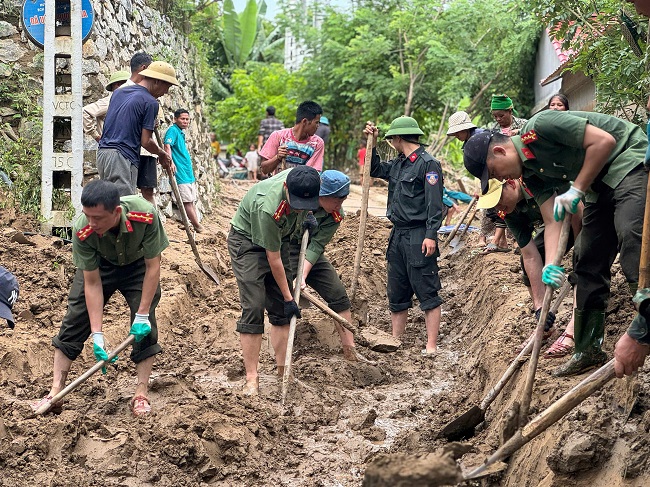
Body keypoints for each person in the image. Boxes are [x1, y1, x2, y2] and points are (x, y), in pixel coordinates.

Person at [463, 110, 648, 376]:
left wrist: (576, 189)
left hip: (628, 160)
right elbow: (552, 221)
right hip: (599, 185)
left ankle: (645, 321)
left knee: (630, 232)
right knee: (586, 258)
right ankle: (587, 350)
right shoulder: (531, 175)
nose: (501, 179)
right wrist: (551, 265)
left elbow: (604, 142)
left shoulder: (541, 127)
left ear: (500, 151)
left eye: (494, 172)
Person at [31, 180, 169, 416]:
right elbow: (93, 283)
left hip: (138, 266)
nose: (91, 223)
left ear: (116, 212)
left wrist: (143, 313)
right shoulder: (82, 230)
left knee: (146, 325)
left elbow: (153, 266)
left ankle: (141, 392)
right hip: (101, 266)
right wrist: (97, 334)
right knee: (75, 318)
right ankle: (55, 391)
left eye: (98, 218)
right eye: (87, 216)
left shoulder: (145, 215)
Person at [228, 166, 321, 395]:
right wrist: (290, 298)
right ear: (286, 188)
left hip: (281, 239)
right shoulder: (268, 207)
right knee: (254, 305)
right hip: (248, 242)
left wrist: (308, 216)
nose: (300, 209)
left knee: (281, 310)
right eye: (297, 204)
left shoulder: (306, 179)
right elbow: (274, 259)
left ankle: (283, 371)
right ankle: (252, 378)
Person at [363, 117, 444, 355]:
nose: (392, 143)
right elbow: (374, 169)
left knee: (427, 289)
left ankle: (431, 345)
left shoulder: (428, 164)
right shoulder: (398, 163)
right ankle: (395, 339)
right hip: (397, 234)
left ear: (398, 138)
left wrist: (431, 234)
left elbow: (434, 204)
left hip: (419, 234)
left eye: (392, 139)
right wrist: (372, 144)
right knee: (397, 290)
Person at [477, 178, 581, 358]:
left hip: (580, 214)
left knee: (583, 265)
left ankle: (574, 329)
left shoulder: (535, 181)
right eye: (494, 205)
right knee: (528, 262)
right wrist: (540, 307)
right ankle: (545, 325)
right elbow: (530, 255)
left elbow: (577, 209)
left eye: (499, 200)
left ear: (511, 184)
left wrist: (581, 247)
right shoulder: (508, 212)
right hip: (554, 224)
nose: (498, 207)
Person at [289, 170, 371, 362]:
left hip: (311, 251)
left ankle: (350, 350)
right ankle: (282, 355)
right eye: (336, 200)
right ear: (322, 195)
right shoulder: (300, 200)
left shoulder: (335, 214)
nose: (339, 205)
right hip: (285, 248)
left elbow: (317, 245)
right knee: (284, 298)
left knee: (338, 295)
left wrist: (303, 275)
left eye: (343, 200)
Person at [98, 60, 177, 201]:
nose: (166, 92)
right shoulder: (150, 102)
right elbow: (146, 141)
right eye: (167, 86)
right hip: (122, 157)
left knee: (109, 202)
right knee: (123, 203)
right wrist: (162, 154)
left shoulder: (118, 93)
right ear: (157, 81)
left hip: (103, 154)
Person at [164, 108, 204, 233]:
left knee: (190, 200)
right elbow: (167, 145)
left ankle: (192, 223)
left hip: (187, 172)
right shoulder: (172, 130)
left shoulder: (180, 132)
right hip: (180, 172)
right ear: (175, 119)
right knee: (187, 201)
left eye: (187, 119)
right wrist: (170, 161)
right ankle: (197, 226)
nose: (185, 121)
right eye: (182, 119)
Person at [259, 101, 325, 175]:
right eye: (316, 122)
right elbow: (264, 170)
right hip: (279, 182)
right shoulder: (278, 136)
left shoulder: (317, 143)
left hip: (302, 182)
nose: (318, 126)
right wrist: (277, 157)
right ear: (305, 121)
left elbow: (312, 174)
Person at [82, 70, 130, 142]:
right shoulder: (109, 102)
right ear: (118, 84)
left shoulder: (129, 101)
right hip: (112, 145)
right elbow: (85, 111)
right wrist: (96, 136)